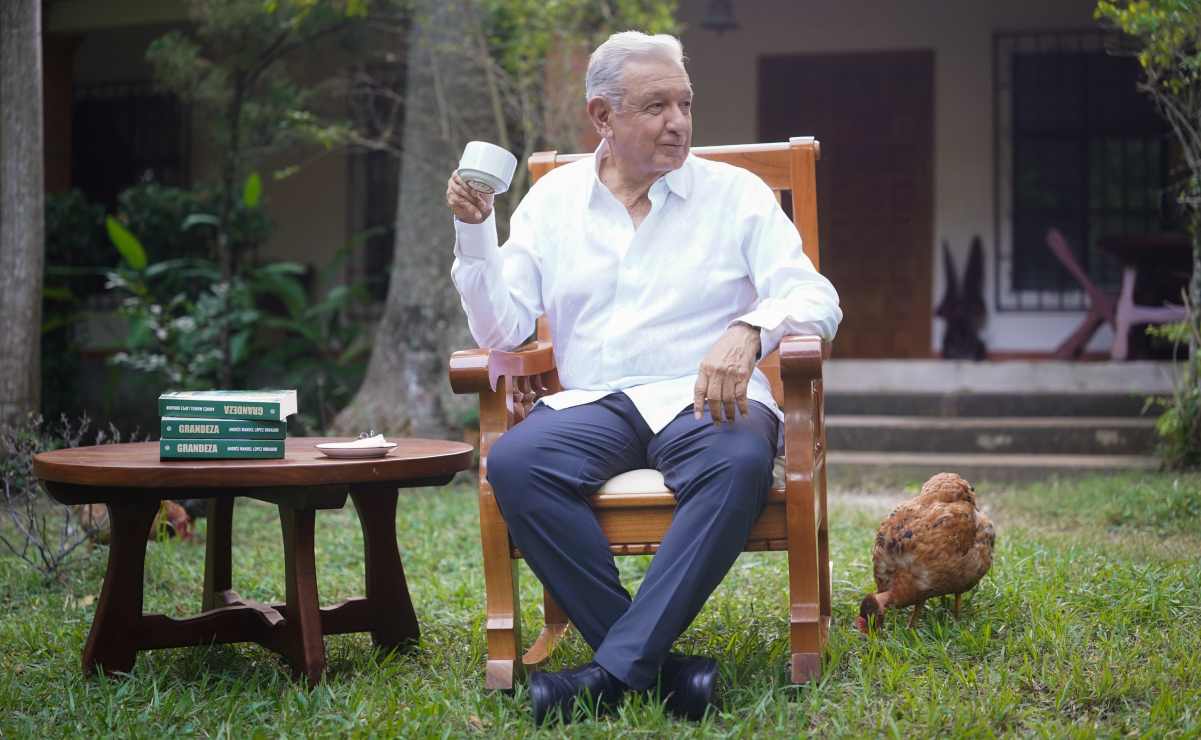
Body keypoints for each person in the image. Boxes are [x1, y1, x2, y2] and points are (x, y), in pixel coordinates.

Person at [446, 31, 841, 724]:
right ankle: (657, 673)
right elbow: (501, 331)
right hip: (594, 401)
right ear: (602, 116)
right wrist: (474, 234)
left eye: (684, 103)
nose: (678, 122)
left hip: (706, 399)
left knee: (739, 459)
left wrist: (750, 330)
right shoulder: (554, 202)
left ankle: (608, 675)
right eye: (657, 106)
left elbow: (815, 297)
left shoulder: (734, 194)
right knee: (515, 460)